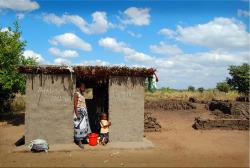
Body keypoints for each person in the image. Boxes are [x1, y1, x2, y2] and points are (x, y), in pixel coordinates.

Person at [73, 83, 91, 148]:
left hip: (84, 113)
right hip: (79, 112)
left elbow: (84, 104)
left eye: (84, 87)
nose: (83, 88)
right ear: (79, 87)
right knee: (79, 127)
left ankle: (84, 140)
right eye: (82, 87)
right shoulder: (76, 94)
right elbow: (75, 105)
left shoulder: (83, 95)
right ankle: (79, 142)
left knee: (84, 127)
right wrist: (77, 114)